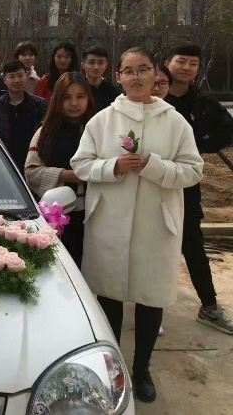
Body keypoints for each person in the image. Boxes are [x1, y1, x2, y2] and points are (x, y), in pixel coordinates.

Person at [71, 47, 204, 403]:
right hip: (109, 221)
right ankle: (110, 369)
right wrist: (112, 166)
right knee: (109, 297)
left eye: (143, 69)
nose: (135, 77)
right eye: (128, 71)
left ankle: (141, 368)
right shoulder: (102, 120)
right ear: (118, 77)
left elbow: (193, 171)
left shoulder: (175, 121)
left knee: (150, 297)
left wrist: (153, 166)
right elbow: (81, 164)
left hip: (155, 224)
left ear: (155, 74)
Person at [164, 43, 233, 334]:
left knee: (193, 242)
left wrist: (201, 144)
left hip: (186, 183)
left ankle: (209, 306)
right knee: (147, 242)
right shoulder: (154, 96)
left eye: (193, 64)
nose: (187, 68)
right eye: (181, 61)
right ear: (167, 63)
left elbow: (227, 130)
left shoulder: (202, 101)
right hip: (150, 180)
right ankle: (145, 306)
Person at [25, 72, 96, 267]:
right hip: (59, 218)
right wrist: (64, 175)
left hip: (95, 216)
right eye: (67, 97)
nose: (74, 103)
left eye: (80, 97)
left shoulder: (99, 131)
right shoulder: (46, 132)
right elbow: (31, 172)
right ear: (57, 99)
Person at [0, 60, 47, 173]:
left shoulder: (40, 104)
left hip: (33, 162)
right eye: (11, 76)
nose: (17, 80)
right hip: (4, 164)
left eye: (20, 75)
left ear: (26, 77)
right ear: (4, 80)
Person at [82, 45, 121, 110]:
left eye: (100, 63)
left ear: (106, 66)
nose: (96, 67)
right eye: (91, 63)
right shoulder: (78, 88)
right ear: (83, 65)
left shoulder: (113, 91)